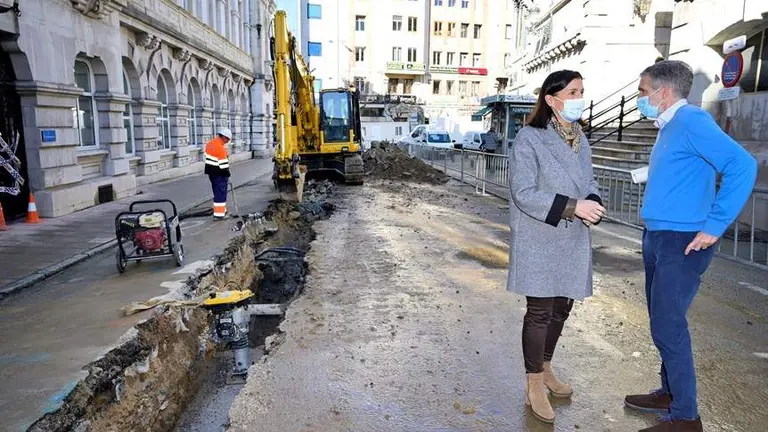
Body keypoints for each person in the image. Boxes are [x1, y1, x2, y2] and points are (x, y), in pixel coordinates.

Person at [624, 60, 757, 432]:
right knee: (662, 322)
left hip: (681, 240)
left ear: (663, 92)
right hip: (660, 235)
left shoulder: (692, 121)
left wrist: (715, 225)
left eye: (642, 91)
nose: (639, 98)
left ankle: (685, 416)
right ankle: (670, 393)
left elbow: (743, 165)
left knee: (668, 325)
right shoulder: (669, 126)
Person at [507, 70, 606, 424]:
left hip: (572, 236)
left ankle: (546, 367)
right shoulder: (529, 138)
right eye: (573, 92)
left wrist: (593, 200)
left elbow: (589, 179)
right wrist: (573, 206)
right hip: (540, 235)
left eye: (582, 90)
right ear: (551, 99)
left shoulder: (580, 138)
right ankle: (533, 382)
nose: (580, 98)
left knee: (562, 307)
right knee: (540, 311)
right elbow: (523, 192)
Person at [204, 128, 232, 220]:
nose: (228, 142)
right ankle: (219, 215)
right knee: (221, 194)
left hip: (211, 172)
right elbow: (224, 165)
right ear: (223, 137)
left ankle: (222, 211)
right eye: (227, 139)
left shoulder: (210, 144)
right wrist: (228, 175)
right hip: (220, 174)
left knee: (217, 192)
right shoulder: (220, 148)